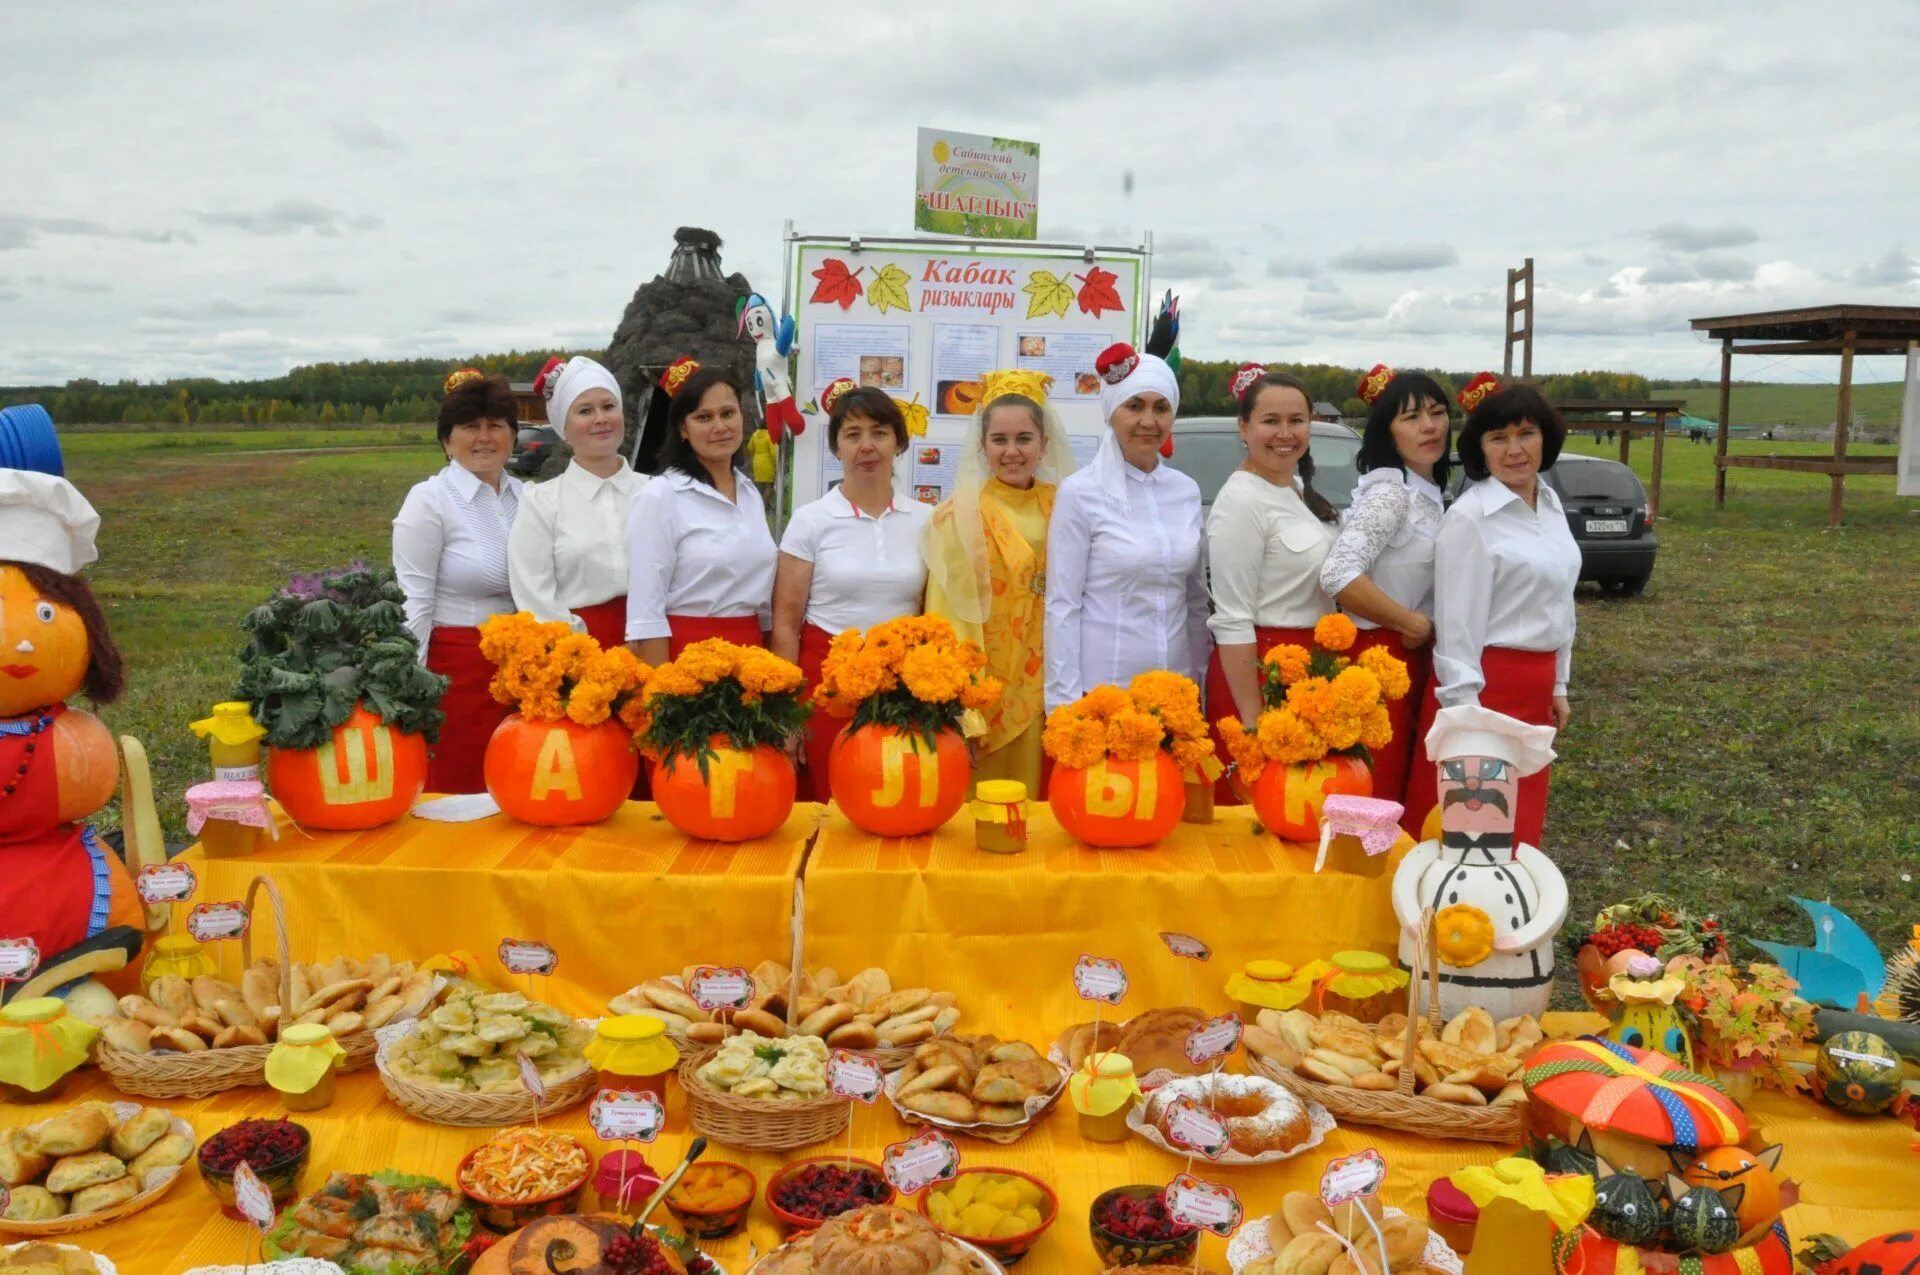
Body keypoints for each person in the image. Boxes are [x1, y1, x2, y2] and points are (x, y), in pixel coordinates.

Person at [1403, 377, 1579, 846]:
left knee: (1519, 826)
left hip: (1535, 687)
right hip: (1486, 689)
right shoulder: (1471, 518)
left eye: (1526, 434)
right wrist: (1467, 724)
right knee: (1472, 826)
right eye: (1498, 438)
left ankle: (1511, 920)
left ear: (1547, 436)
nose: (1514, 449)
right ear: (1480, 449)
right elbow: (1457, 629)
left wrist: (1558, 682)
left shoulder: (1551, 503)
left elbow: (1561, 601)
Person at [771, 381, 928, 801]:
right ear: (836, 447)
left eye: (879, 432)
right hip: (826, 687)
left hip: (902, 688)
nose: (867, 446)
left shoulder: (926, 520)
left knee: (896, 799)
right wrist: (787, 715)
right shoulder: (810, 520)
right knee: (828, 803)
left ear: (899, 442)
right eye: (852, 434)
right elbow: (785, 624)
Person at [923, 368, 1076, 795]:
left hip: (1054, 688)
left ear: (1044, 444)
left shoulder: (1067, 506)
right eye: (1000, 440)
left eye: (1024, 439)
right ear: (982, 446)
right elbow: (949, 617)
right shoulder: (961, 516)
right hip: (989, 692)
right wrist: (964, 707)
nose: (1012, 451)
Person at [1046, 341, 1208, 712]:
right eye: (1134, 406)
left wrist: (1199, 685)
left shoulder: (1185, 491)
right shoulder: (1080, 493)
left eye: (1161, 408)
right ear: (1110, 413)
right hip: (1104, 691)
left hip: (1174, 691)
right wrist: (1063, 705)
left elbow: (1195, 601)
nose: (1148, 421)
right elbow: (1063, 606)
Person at [1205, 365, 1340, 803]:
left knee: (1302, 808)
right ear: (1243, 428)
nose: (1286, 433)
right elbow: (1232, 620)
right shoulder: (1241, 501)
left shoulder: (1294, 489)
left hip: (1306, 674)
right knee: (1259, 811)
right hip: (1260, 675)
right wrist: (1253, 720)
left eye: (1296, 421)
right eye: (1270, 421)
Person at [1318, 364, 1451, 805]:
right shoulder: (1391, 494)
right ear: (1387, 432)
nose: (1429, 427)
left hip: (1417, 661)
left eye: (1436, 412)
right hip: (1382, 662)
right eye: (1411, 418)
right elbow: (1338, 573)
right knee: (1380, 794)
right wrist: (1410, 623)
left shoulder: (1428, 491)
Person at [392, 368, 523, 793]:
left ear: (513, 436)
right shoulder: (429, 500)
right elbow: (414, 600)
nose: (484, 437)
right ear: (447, 441)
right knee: (459, 794)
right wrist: (409, 690)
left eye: (495, 426)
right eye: (470, 427)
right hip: (456, 675)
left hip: (522, 672)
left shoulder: (530, 497)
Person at [624, 358, 775, 664]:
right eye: (703, 417)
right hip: (688, 660)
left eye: (728, 414)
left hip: (751, 656)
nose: (720, 427)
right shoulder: (661, 496)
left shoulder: (749, 494)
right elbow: (645, 612)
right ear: (683, 428)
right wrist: (662, 694)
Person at [507, 355, 647, 651]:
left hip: (659, 650)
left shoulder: (656, 493)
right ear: (564, 429)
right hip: (579, 658)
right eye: (585, 410)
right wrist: (589, 656)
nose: (600, 418)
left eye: (609, 406)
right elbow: (535, 597)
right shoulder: (541, 503)